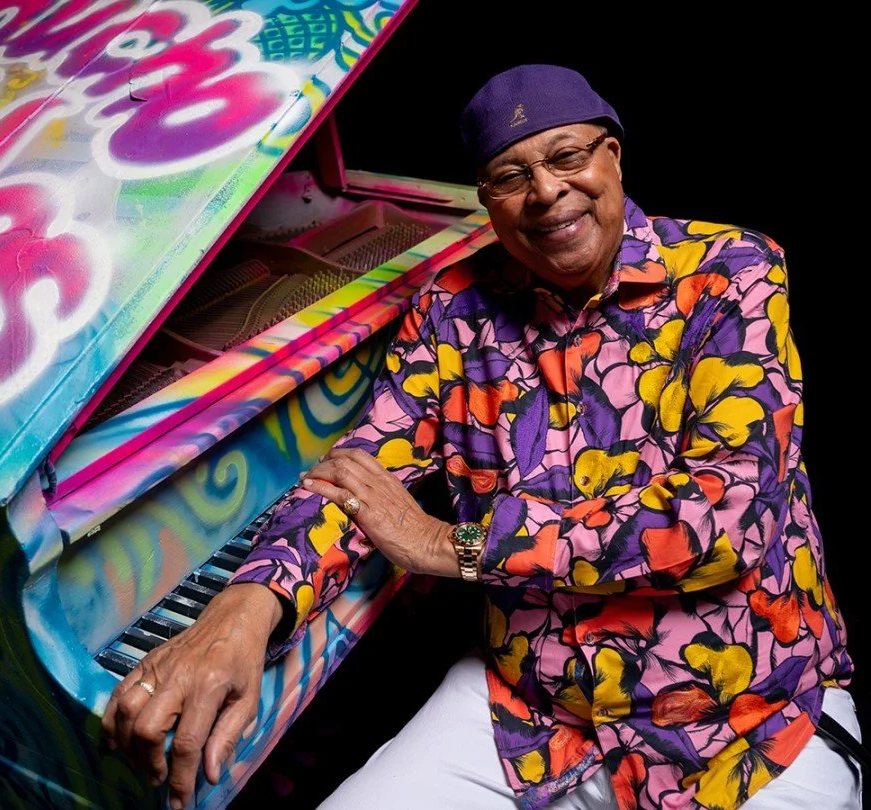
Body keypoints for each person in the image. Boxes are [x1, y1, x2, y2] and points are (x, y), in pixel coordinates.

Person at [101, 64, 859, 810]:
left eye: (567, 156)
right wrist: (245, 609)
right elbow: (363, 474)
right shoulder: (452, 309)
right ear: (486, 200)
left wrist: (449, 545)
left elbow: (722, 520)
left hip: (746, 720)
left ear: (612, 156)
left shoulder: (732, 273)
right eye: (510, 175)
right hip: (533, 714)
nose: (546, 192)